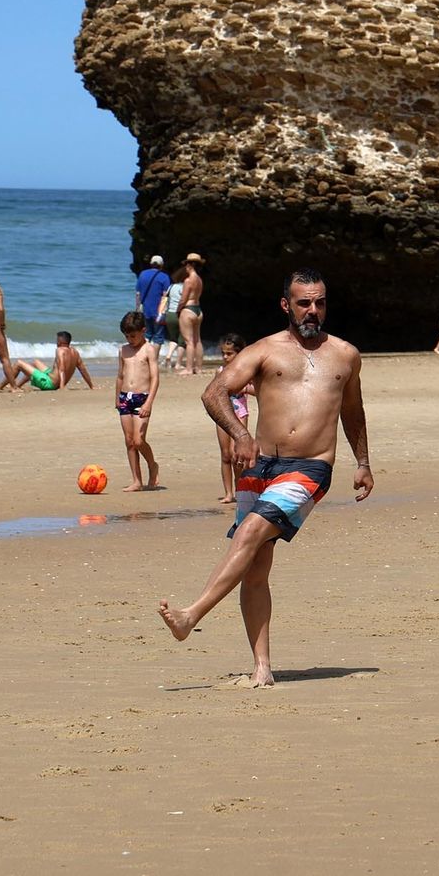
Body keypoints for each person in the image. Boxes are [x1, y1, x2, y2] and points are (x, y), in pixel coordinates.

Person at [160, 268, 375, 688]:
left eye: (320, 302)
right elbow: (214, 391)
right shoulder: (264, 351)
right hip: (260, 467)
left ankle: (191, 615)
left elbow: (353, 411)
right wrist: (240, 434)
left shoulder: (346, 355)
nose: (313, 310)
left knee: (250, 533)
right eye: (304, 303)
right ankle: (263, 667)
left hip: (310, 468)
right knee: (256, 568)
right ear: (286, 305)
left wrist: (363, 462)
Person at [115, 310, 161, 492]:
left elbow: (155, 378)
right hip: (125, 398)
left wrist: (149, 402)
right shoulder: (123, 350)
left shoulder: (148, 349)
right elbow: (120, 375)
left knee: (139, 439)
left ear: (143, 331)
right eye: (127, 336)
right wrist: (117, 397)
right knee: (129, 441)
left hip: (142, 398)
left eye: (133, 335)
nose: (130, 339)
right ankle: (136, 480)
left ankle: (152, 465)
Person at [215, 332, 254, 503]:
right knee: (225, 454)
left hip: (239, 413)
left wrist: (244, 388)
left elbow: (257, 390)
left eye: (229, 353)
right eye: (223, 353)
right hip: (223, 413)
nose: (225, 356)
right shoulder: (220, 371)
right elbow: (214, 393)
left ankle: (240, 490)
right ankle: (228, 493)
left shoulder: (246, 372)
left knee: (237, 454)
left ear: (239, 353)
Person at [10, 331, 95, 391]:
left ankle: (6, 386)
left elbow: (62, 369)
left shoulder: (60, 350)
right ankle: (18, 385)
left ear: (60, 341)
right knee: (35, 363)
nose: (56, 342)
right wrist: (91, 386)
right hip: (52, 377)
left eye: (57, 340)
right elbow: (82, 369)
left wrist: (62, 387)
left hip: (50, 383)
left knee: (18, 363)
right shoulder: (75, 352)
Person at [135, 255, 172, 360]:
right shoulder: (164, 277)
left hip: (145, 310)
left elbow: (138, 294)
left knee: (146, 334)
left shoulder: (142, 275)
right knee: (158, 337)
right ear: (161, 265)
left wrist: (137, 309)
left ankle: (143, 357)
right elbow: (166, 295)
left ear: (151, 264)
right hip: (159, 312)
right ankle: (153, 360)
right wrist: (165, 311)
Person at [179, 253, 206, 375]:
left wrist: (178, 309)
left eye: (186, 264)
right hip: (198, 309)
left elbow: (183, 299)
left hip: (188, 309)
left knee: (188, 341)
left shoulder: (188, 280)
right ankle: (198, 368)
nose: (185, 267)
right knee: (197, 340)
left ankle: (189, 368)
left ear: (190, 265)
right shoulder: (199, 280)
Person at [161, 269, 186, 369]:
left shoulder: (171, 287)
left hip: (169, 315)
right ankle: (178, 364)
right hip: (179, 314)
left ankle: (168, 356)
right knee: (182, 340)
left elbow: (165, 298)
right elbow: (183, 301)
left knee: (173, 338)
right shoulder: (183, 287)